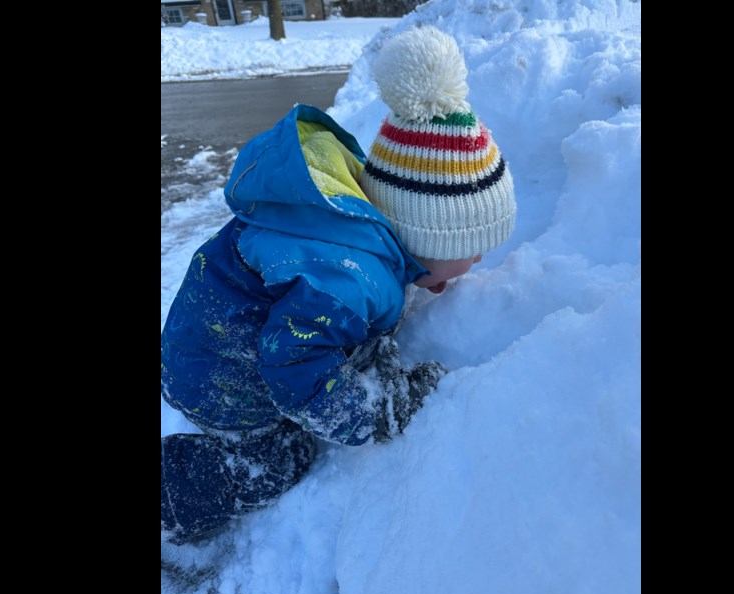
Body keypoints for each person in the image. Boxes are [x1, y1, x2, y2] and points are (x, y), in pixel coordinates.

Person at [161, 26, 517, 544]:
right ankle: (174, 489)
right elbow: (292, 365)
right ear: (428, 240)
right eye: (474, 249)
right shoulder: (352, 280)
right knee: (281, 458)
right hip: (217, 374)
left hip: (207, 327)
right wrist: (375, 410)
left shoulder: (354, 230)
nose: (481, 259)